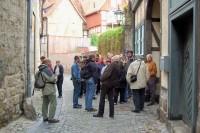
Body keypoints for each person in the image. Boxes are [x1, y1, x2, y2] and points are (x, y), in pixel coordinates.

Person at [37, 59, 59, 123]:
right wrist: (56, 77)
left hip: (44, 88)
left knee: (45, 103)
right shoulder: (47, 69)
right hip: (50, 89)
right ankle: (51, 118)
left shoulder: (40, 69)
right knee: (53, 103)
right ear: (46, 63)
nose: (51, 63)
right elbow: (52, 79)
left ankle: (45, 117)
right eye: (50, 62)